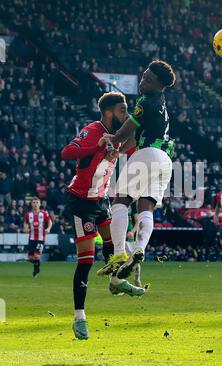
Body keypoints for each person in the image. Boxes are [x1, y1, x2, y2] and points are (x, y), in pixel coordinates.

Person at [61, 92, 145, 341]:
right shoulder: (93, 130)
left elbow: (132, 142)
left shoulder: (117, 135)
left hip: (100, 200)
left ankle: (116, 280)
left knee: (113, 244)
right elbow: (66, 152)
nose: (126, 114)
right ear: (108, 112)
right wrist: (94, 146)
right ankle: (79, 317)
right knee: (86, 261)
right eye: (122, 109)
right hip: (81, 203)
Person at [97, 60, 176, 286]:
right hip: (165, 161)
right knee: (146, 207)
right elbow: (133, 134)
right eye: (143, 77)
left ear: (159, 84)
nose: (142, 82)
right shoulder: (160, 103)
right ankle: (139, 249)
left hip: (147, 155)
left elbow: (125, 132)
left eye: (148, 80)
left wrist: (111, 140)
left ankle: (120, 253)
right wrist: (120, 148)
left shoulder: (146, 101)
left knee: (121, 200)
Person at [23, 197, 52, 277]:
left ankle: (36, 268)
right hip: (31, 238)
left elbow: (50, 221)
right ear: (31, 204)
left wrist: (48, 228)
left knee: (37, 255)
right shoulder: (28, 214)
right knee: (31, 258)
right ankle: (37, 266)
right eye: (34, 202)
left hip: (41, 238)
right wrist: (25, 228)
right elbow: (25, 223)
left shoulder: (44, 213)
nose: (35, 204)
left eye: (37, 202)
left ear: (40, 204)